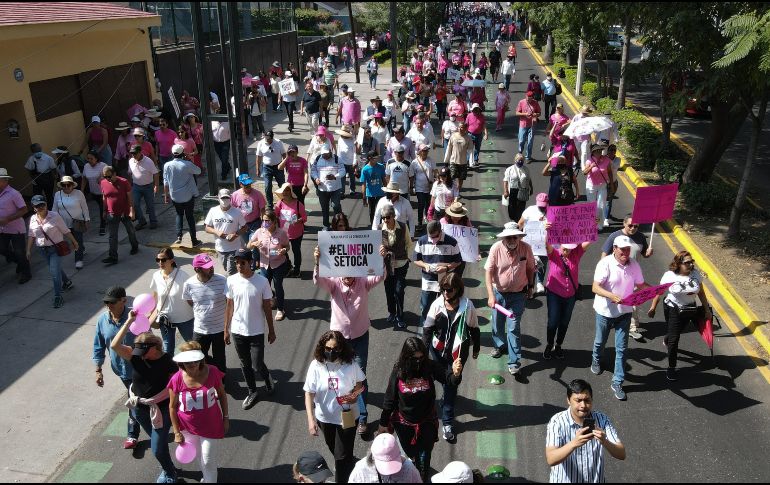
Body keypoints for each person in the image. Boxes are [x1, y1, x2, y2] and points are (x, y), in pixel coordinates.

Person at [313, 246, 386, 438]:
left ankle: (362, 418)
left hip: (361, 335)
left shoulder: (363, 282)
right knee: (340, 376)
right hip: (339, 340)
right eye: (344, 272)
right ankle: (342, 412)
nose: (347, 276)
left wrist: (381, 259)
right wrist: (317, 261)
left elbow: (379, 277)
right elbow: (319, 280)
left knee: (360, 377)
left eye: (351, 272)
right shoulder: (334, 283)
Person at [378, 337, 462, 481]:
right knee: (411, 453)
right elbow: (390, 398)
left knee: (424, 456)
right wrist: (383, 422)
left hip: (426, 421)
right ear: (406, 357)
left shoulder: (429, 366)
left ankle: (422, 475)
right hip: (404, 423)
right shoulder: (398, 370)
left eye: (421, 358)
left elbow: (449, 380)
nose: (418, 362)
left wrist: (456, 374)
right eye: (414, 358)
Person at [109, 325, 178, 483]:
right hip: (139, 410)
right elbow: (114, 345)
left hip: (161, 410)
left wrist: (178, 408)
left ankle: (170, 474)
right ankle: (169, 467)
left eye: (145, 352)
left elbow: (176, 387)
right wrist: (129, 321)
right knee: (159, 446)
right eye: (139, 352)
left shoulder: (168, 362)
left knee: (157, 448)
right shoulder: (136, 356)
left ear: (155, 347)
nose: (142, 356)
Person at [591, 235, 650, 401]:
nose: (626, 252)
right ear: (614, 249)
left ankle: (617, 381)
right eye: (622, 249)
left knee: (622, 349)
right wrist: (611, 295)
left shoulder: (634, 265)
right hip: (605, 311)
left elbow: (640, 285)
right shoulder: (605, 263)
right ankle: (596, 359)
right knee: (600, 341)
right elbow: (595, 287)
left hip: (624, 312)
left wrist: (655, 290)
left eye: (628, 249)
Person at [423, 273, 479, 443]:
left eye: (449, 290)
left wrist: (476, 347)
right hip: (437, 351)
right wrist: (424, 354)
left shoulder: (467, 306)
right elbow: (427, 330)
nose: (446, 293)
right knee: (442, 379)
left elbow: (474, 329)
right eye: (444, 290)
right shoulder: (437, 305)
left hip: (458, 354)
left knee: (452, 383)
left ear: (458, 289)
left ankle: (447, 422)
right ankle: (446, 397)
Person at [304, 331, 365, 484]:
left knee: (341, 458)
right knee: (334, 448)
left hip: (348, 417)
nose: (331, 352)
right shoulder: (316, 366)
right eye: (328, 348)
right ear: (322, 347)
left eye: (335, 349)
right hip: (325, 419)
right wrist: (311, 421)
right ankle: (347, 461)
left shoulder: (351, 365)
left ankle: (343, 475)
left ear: (342, 348)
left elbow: (359, 384)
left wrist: (355, 395)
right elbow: (309, 393)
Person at [168, 342, 229, 484]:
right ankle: (209, 478)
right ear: (182, 362)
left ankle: (209, 479)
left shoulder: (213, 371)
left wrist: (225, 418)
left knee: (207, 460)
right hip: (187, 427)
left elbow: (222, 394)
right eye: (188, 361)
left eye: (196, 360)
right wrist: (176, 432)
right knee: (200, 457)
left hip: (211, 425)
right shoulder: (176, 379)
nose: (193, 364)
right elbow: (172, 407)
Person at [647, 251, 712, 381]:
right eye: (686, 262)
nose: (690, 265)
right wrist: (653, 307)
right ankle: (671, 367)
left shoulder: (695, 274)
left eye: (691, 262)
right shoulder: (669, 276)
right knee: (674, 339)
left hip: (689, 310)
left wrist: (706, 309)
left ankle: (667, 338)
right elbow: (659, 292)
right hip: (673, 309)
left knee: (676, 332)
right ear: (678, 264)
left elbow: (701, 293)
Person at [224, 248, 276, 410]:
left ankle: (267, 377)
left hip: (256, 331)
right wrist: (226, 329)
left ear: (251, 263)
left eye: (242, 262)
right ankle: (252, 391)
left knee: (256, 364)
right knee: (244, 363)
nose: (239, 265)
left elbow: (267, 308)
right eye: (237, 262)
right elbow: (229, 306)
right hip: (238, 331)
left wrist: (271, 330)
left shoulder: (262, 282)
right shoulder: (231, 280)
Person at [546, 379, 626, 482]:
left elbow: (621, 454)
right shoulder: (557, 422)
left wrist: (605, 441)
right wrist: (574, 444)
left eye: (587, 400)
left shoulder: (602, 420)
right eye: (578, 400)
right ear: (568, 400)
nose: (583, 405)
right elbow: (551, 459)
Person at [93, 286, 140, 450]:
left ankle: (132, 434)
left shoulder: (135, 317)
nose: (109, 305)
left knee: (135, 400)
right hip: (121, 371)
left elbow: (149, 340)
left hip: (140, 369)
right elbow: (98, 346)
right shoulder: (102, 320)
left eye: (112, 302)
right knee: (136, 400)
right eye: (106, 302)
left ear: (124, 301)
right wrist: (98, 370)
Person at [486, 222, 536, 375]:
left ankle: (514, 361)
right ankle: (499, 346)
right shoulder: (495, 248)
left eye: (515, 237)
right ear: (504, 238)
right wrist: (490, 295)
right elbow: (488, 272)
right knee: (497, 323)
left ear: (519, 237)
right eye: (509, 237)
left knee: (514, 327)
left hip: (518, 295)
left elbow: (530, 268)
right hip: (499, 293)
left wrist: (531, 286)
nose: (512, 240)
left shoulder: (526, 248)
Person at [601, 214, 653, 340]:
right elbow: (604, 254)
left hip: (633, 275)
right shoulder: (614, 236)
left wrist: (648, 253)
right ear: (624, 224)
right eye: (630, 225)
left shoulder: (640, 237)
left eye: (636, 226)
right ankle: (623, 323)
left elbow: (644, 254)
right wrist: (605, 272)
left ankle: (630, 326)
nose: (633, 228)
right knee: (620, 299)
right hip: (616, 274)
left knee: (631, 299)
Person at [543, 225, 592, 359]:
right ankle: (549, 344)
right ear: (560, 246)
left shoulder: (576, 253)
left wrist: (592, 225)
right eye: (565, 249)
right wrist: (547, 230)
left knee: (565, 321)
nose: (567, 251)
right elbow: (546, 244)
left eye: (570, 249)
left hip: (570, 295)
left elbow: (590, 240)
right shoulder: (554, 254)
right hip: (554, 293)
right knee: (553, 321)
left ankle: (558, 345)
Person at [413, 220, 462, 331]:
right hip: (428, 281)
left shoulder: (452, 242)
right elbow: (416, 260)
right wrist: (425, 265)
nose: (433, 241)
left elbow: (458, 261)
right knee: (426, 306)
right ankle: (428, 327)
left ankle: (444, 329)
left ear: (440, 231)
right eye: (431, 238)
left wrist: (447, 268)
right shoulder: (422, 241)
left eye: (435, 237)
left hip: (445, 282)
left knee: (446, 307)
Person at [183, 254, 228, 373]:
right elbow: (190, 301)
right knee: (198, 358)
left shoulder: (222, 280)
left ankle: (221, 383)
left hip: (219, 329)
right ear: (197, 269)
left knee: (220, 359)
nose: (212, 268)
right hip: (200, 330)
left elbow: (229, 301)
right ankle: (203, 381)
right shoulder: (189, 284)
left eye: (211, 265)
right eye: (208, 267)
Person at [148, 247, 195, 354]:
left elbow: (192, 296)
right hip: (165, 319)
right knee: (167, 348)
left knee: (192, 345)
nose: (160, 262)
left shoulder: (183, 276)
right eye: (158, 260)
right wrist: (151, 314)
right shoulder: (156, 276)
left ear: (172, 260)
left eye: (163, 260)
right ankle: (169, 370)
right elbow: (155, 296)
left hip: (185, 318)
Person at [248, 208, 290, 320]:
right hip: (264, 265)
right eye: (263, 220)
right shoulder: (259, 232)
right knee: (263, 286)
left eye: (268, 221)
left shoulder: (281, 233)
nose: (265, 223)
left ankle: (280, 309)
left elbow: (287, 246)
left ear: (274, 221)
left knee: (278, 286)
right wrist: (254, 244)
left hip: (278, 264)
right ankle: (269, 301)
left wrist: (284, 250)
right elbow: (248, 245)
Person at [380, 204, 413, 329]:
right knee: (389, 290)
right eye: (383, 218)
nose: (385, 220)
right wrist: (381, 251)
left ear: (394, 216)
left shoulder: (403, 227)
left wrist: (408, 257)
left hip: (401, 264)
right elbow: (376, 248)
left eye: (388, 217)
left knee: (399, 291)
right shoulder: (379, 229)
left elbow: (409, 244)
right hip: (387, 265)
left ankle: (400, 315)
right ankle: (392, 312)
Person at [164, 144, 202, 246]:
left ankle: (179, 235)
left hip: (175, 196)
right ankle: (194, 240)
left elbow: (165, 182)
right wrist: (189, 159)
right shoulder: (186, 164)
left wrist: (166, 195)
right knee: (190, 217)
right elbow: (198, 171)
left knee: (179, 214)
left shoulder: (167, 165)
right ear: (183, 153)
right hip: (187, 196)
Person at [348, 433, 423, 483]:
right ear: (372, 457)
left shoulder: (409, 469)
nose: (389, 472)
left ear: (399, 454)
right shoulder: (361, 470)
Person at [204, 188, 247, 276]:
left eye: (227, 198)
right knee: (225, 267)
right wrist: (216, 232)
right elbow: (207, 228)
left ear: (230, 198)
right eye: (222, 198)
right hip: (220, 248)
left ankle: (232, 287)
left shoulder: (237, 212)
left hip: (234, 248)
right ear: (218, 198)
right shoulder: (213, 211)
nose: (225, 200)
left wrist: (235, 235)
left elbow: (244, 227)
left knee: (231, 272)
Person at [0, 168, 31, 284]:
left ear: (5, 181)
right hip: (2, 229)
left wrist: (8, 219)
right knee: (2, 249)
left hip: (16, 228)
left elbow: (24, 210)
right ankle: (20, 262)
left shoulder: (14, 193)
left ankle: (26, 273)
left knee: (19, 251)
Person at [274, 183, 307, 278]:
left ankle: (297, 270)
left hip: (296, 233)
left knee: (296, 251)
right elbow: (275, 215)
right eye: (283, 191)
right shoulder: (280, 203)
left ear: (291, 192)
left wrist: (298, 221)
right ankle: (288, 267)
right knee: (283, 251)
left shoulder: (298, 203)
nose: (285, 193)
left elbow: (304, 218)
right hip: (283, 234)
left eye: (287, 190)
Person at [310, 146, 345, 231]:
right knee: (324, 208)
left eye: (327, 154)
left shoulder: (337, 159)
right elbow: (313, 170)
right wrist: (316, 178)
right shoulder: (318, 159)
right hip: (322, 188)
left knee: (335, 205)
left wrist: (335, 176)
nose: (325, 155)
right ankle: (326, 225)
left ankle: (339, 223)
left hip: (335, 188)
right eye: (324, 154)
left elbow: (343, 171)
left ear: (330, 151)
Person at [582, 143, 613, 231]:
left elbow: (610, 172)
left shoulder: (606, 159)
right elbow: (584, 172)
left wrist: (611, 183)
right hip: (591, 185)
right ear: (593, 152)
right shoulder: (589, 160)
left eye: (600, 151)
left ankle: (599, 224)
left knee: (601, 205)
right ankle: (591, 223)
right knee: (591, 205)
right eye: (597, 151)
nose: (599, 152)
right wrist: (591, 166)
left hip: (602, 185)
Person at [127, 145, 159, 231]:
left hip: (148, 186)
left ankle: (153, 221)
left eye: (135, 153)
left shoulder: (148, 161)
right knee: (135, 204)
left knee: (150, 205)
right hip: (136, 186)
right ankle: (142, 221)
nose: (133, 155)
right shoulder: (130, 161)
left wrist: (156, 185)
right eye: (132, 153)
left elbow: (155, 173)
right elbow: (130, 173)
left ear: (140, 152)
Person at [256, 131, 287, 208]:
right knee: (267, 186)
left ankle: (284, 201)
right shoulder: (261, 143)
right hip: (266, 167)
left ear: (272, 137)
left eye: (269, 139)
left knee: (282, 185)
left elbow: (284, 154)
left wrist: (284, 165)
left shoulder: (278, 142)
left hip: (278, 167)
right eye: (266, 138)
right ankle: (270, 204)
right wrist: (258, 169)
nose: (267, 140)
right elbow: (259, 157)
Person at [409, 144, 435, 230]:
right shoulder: (414, 162)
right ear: (419, 152)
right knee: (421, 204)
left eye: (427, 151)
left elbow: (435, 171)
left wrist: (438, 179)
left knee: (428, 204)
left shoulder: (430, 160)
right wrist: (411, 187)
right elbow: (412, 176)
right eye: (424, 151)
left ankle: (427, 218)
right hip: (419, 187)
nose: (426, 152)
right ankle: (420, 222)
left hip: (429, 187)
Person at [26, 143, 58, 209]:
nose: (37, 153)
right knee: (37, 196)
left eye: (38, 151)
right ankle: (39, 210)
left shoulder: (48, 158)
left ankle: (51, 210)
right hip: (36, 179)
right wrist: (33, 179)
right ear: (32, 152)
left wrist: (54, 177)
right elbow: (29, 170)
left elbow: (54, 169)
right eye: (35, 151)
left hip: (47, 178)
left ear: (41, 150)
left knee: (49, 195)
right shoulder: (31, 159)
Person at [503, 153, 533, 222]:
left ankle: (518, 223)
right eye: (519, 160)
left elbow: (529, 179)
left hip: (523, 191)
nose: (520, 162)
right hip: (513, 191)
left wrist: (531, 188)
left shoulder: (526, 169)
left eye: (522, 160)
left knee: (521, 209)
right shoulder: (509, 169)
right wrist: (506, 191)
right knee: (511, 208)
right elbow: (505, 180)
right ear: (515, 160)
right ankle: (514, 219)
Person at [443, 122, 473, 191]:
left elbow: (470, 151)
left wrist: (471, 162)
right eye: (459, 127)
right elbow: (449, 148)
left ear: (465, 128)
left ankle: (458, 191)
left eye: (462, 127)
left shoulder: (468, 138)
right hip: (453, 161)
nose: (460, 129)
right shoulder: (453, 136)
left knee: (461, 178)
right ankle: (451, 191)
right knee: (452, 177)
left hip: (463, 162)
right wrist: (446, 161)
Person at [516, 90, 541, 163]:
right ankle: (519, 155)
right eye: (526, 96)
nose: (527, 98)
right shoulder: (521, 102)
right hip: (523, 124)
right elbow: (517, 113)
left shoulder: (535, 103)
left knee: (530, 142)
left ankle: (528, 157)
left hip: (532, 125)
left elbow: (539, 113)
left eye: (529, 97)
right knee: (521, 141)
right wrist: (525, 114)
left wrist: (535, 114)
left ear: (532, 97)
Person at [336, 126, 357, 198]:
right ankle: (342, 192)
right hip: (342, 162)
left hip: (350, 162)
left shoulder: (352, 140)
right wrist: (337, 160)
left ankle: (352, 190)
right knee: (342, 177)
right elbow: (338, 150)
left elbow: (355, 152)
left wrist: (354, 161)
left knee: (352, 177)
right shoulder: (340, 139)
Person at [466, 104, 488, 168]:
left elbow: (484, 126)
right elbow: (466, 125)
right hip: (470, 134)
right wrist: (464, 134)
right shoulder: (469, 116)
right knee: (469, 148)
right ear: (472, 110)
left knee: (477, 148)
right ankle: (468, 161)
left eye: (477, 109)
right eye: (474, 110)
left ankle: (475, 160)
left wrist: (486, 134)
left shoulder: (482, 116)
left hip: (479, 134)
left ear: (479, 110)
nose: (475, 111)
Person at [211, 112, 232, 180]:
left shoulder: (227, 123)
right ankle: (228, 167)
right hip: (216, 143)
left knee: (224, 159)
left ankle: (224, 175)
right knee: (222, 158)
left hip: (225, 143)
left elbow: (231, 133)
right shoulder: (212, 122)